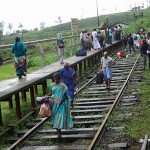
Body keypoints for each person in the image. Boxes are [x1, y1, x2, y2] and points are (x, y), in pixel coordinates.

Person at [46, 73, 73, 139]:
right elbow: (52, 93)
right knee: (54, 119)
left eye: (57, 79)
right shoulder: (51, 85)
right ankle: (58, 131)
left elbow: (65, 96)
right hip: (54, 103)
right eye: (54, 79)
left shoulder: (63, 86)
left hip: (61, 104)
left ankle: (59, 133)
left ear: (59, 79)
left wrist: (60, 102)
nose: (56, 80)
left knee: (59, 118)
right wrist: (46, 96)